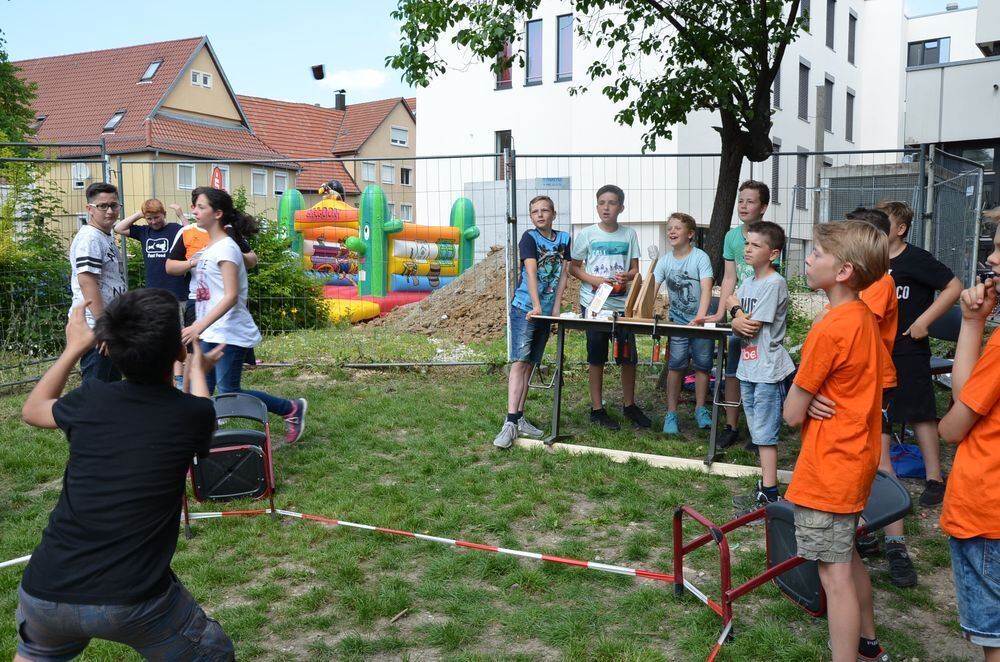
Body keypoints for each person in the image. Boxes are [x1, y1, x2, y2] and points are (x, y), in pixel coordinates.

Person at [15, 289, 234, 661]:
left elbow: (33, 410)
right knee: (212, 653)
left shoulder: (90, 398)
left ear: (106, 349)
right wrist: (196, 372)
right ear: (178, 352)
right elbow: (198, 408)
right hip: (134, 600)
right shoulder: (192, 416)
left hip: (46, 590)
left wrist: (73, 348)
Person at [783, 221, 890, 662]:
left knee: (834, 575)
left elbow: (790, 414)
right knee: (847, 556)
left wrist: (805, 403)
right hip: (857, 460)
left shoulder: (829, 330)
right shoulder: (865, 317)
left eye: (816, 253)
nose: (808, 259)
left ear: (843, 271)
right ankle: (868, 643)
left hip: (829, 467)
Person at [180, 187, 307, 443]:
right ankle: (203, 439)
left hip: (229, 331)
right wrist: (200, 328)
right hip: (208, 330)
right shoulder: (209, 247)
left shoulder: (227, 249)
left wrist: (197, 325)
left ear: (218, 213)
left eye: (200, 206)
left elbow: (231, 296)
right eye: (194, 205)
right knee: (202, 387)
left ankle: (290, 408)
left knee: (229, 391)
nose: (194, 210)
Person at [938, 213, 1000, 660]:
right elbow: (969, 395)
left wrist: (975, 327)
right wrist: (974, 322)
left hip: (987, 512)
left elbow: (953, 427)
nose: (991, 259)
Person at [875, 200, 962, 507]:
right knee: (879, 411)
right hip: (877, 349)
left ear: (900, 229)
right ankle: (883, 475)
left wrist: (925, 320)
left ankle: (935, 478)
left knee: (921, 412)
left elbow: (954, 286)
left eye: (883, 221)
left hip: (909, 347)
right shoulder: (871, 259)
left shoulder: (916, 259)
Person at [569, 184, 651, 430]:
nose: (606, 207)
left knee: (628, 357)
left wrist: (628, 276)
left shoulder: (629, 235)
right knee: (596, 357)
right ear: (597, 207)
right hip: (594, 305)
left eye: (612, 203)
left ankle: (629, 405)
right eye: (602, 203)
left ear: (621, 207)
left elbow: (636, 270)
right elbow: (573, 267)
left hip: (622, 306)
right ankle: (597, 409)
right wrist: (594, 280)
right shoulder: (587, 235)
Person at [493, 195, 571, 449]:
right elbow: (531, 271)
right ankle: (510, 421)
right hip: (526, 308)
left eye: (545, 210)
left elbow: (563, 275)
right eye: (535, 211)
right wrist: (537, 305)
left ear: (553, 214)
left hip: (546, 312)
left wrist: (555, 307)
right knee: (520, 362)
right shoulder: (529, 238)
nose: (540, 215)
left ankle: (520, 417)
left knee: (531, 364)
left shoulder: (564, 240)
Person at [727, 221, 794, 508]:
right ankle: (765, 485)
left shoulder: (774, 282)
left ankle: (770, 490)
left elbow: (749, 325)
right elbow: (737, 327)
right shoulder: (749, 282)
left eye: (756, 245)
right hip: (749, 367)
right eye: (747, 243)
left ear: (773, 254)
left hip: (768, 369)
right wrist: (736, 316)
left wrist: (733, 308)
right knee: (756, 428)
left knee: (765, 433)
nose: (748, 249)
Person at [707, 180, 772, 449]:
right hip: (737, 316)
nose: (744, 206)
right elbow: (730, 277)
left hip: (761, 318)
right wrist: (722, 312)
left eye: (750, 201)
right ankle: (731, 426)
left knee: (760, 375)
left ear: (763, 207)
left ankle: (760, 431)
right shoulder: (732, 237)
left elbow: (769, 278)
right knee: (732, 370)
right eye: (741, 201)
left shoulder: (770, 236)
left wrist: (750, 316)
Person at [114, 198, 189, 388]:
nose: (153, 222)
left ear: (164, 214)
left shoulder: (173, 229)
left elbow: (190, 234)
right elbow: (119, 228)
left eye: (156, 217)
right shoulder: (143, 231)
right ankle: (163, 373)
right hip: (153, 294)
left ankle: (179, 378)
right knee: (157, 333)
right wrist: (140, 214)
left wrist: (180, 215)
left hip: (176, 291)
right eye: (149, 219)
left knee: (177, 333)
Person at [653, 212, 713, 435]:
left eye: (677, 228)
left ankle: (700, 409)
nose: (672, 231)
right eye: (670, 228)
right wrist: (647, 308)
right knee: (676, 365)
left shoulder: (700, 258)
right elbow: (653, 288)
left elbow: (706, 288)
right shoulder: (665, 261)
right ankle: (671, 413)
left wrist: (700, 316)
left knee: (703, 365)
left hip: (701, 321)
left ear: (690, 234)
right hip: (678, 322)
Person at [69, 182, 127, 383]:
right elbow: (87, 282)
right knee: (95, 389)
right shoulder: (90, 239)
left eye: (114, 205)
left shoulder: (105, 235)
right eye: (103, 206)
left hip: (107, 325)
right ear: (89, 209)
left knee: (111, 386)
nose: (110, 211)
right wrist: (103, 327)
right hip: (94, 327)